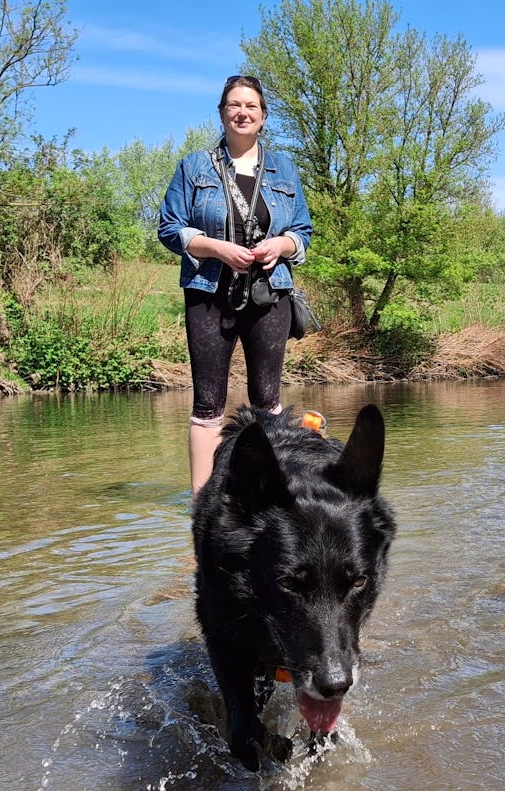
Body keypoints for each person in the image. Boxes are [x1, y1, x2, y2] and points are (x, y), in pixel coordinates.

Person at [157, 74, 314, 494]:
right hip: (208, 293)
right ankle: (203, 503)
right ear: (222, 113)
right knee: (208, 404)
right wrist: (216, 248)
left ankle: (268, 494)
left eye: (252, 107)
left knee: (267, 400)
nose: (242, 112)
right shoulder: (193, 167)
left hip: (270, 293)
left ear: (263, 117)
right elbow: (169, 228)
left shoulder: (285, 169)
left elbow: (303, 231)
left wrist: (281, 244)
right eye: (234, 105)